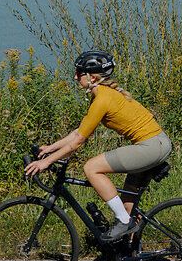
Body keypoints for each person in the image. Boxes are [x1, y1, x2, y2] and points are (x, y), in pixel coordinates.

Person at [25, 51, 173, 242]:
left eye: (79, 73)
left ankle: (123, 221)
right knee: (128, 205)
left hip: (150, 147)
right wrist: (50, 149)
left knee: (91, 168)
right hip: (156, 144)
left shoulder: (102, 99)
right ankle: (127, 258)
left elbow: (78, 141)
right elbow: (79, 131)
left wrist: (46, 163)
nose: (75, 77)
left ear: (92, 77)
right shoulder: (103, 95)